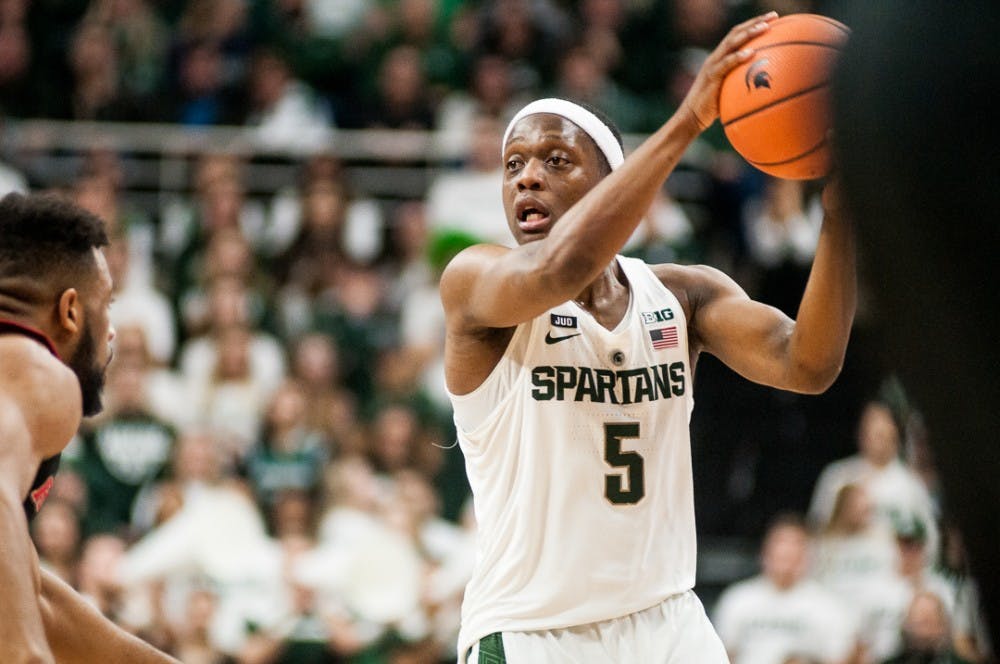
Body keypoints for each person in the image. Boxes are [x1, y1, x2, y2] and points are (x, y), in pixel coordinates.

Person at [439, 10, 857, 662]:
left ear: (614, 184)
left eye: (555, 160)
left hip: (666, 623)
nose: (526, 176)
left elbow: (809, 363)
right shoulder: (477, 282)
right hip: (534, 632)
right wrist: (690, 119)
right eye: (514, 163)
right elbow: (562, 267)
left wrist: (840, 217)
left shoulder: (683, 297)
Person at [0, 192, 178, 662]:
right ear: (71, 311)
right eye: (109, 306)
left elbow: (37, 600)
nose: (113, 331)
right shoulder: (33, 369)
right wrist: (25, 655)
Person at [712, 514, 859, 664]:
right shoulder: (738, 599)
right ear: (765, 552)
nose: (786, 551)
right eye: (780, 543)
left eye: (795, 545)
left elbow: (840, 657)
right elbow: (721, 655)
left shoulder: (829, 606)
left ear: (807, 555)